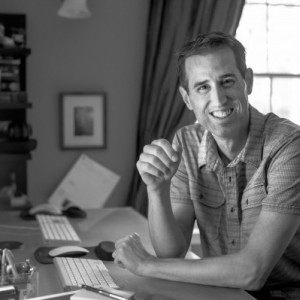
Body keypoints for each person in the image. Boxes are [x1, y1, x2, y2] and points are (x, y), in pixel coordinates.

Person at [112, 32, 300, 300]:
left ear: (247, 82)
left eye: (227, 81)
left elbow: (252, 272)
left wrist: (145, 265)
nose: (219, 99)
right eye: (203, 87)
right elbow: (172, 252)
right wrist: (157, 189)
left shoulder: (289, 145)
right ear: (187, 98)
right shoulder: (186, 142)